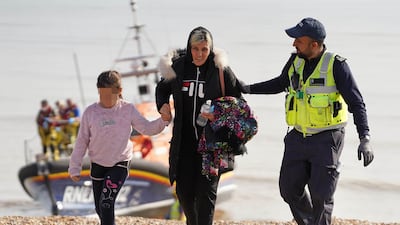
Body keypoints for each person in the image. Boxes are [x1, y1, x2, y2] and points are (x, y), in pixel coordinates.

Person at [239, 17, 374, 225]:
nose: (294, 44)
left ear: (315, 44)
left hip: (327, 139)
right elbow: (280, 83)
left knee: (321, 195)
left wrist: (365, 137)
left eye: (298, 40)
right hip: (297, 137)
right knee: (288, 189)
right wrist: (247, 88)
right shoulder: (295, 61)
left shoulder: (336, 65)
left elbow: (357, 103)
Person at [156, 26, 243, 225]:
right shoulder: (178, 68)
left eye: (204, 49)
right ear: (189, 47)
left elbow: (238, 103)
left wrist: (218, 113)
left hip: (211, 147)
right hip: (184, 144)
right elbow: (162, 89)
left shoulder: (221, 71)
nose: (200, 54)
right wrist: (162, 106)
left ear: (210, 49)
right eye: (196, 48)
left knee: (206, 196)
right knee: (184, 193)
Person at [68, 70, 171, 225]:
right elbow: (81, 141)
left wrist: (163, 121)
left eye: (110, 95)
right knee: (99, 208)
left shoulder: (127, 109)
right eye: (102, 95)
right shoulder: (91, 112)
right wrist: (74, 166)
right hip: (98, 164)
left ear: (120, 91)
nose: (106, 99)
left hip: (120, 163)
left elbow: (147, 128)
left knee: (106, 203)